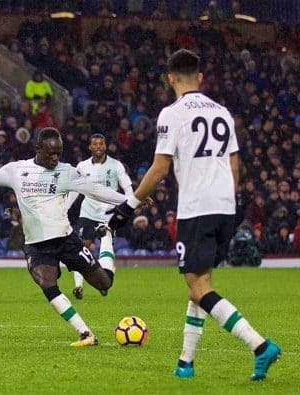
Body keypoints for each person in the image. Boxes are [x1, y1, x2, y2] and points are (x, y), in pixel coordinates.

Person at [108, 49, 280, 380]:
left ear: (170, 78)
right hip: (225, 205)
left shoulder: (172, 114)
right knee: (199, 283)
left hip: (197, 207)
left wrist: (129, 205)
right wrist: (227, 200)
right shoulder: (223, 113)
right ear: (200, 77)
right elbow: (234, 163)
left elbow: (159, 168)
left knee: (198, 287)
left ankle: (260, 346)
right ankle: (185, 363)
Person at [0, 127, 133, 347]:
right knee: (47, 283)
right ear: (38, 149)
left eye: (59, 153)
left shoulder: (66, 172)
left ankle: (106, 236)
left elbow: (96, 190)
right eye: (51, 153)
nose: (55, 158)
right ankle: (85, 333)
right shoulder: (17, 170)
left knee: (104, 284)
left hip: (66, 240)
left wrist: (131, 201)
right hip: (37, 246)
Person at [69, 133, 133, 299]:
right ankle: (78, 286)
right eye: (95, 144)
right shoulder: (82, 166)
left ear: (105, 146)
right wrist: (64, 207)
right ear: (90, 147)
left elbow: (126, 185)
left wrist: (132, 203)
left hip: (109, 214)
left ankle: (103, 279)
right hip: (88, 212)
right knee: (81, 248)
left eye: (101, 143)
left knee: (106, 244)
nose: (98, 146)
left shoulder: (116, 165)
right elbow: (74, 190)